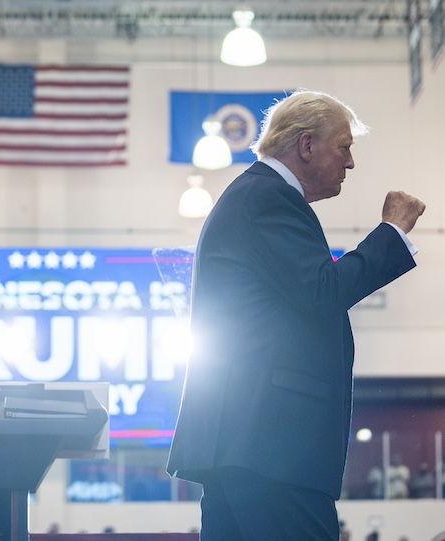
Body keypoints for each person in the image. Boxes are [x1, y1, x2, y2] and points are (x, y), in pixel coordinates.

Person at [166, 90, 425, 541]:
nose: (350, 163)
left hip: (246, 447)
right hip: (272, 448)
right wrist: (392, 233)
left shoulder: (254, 196)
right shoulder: (268, 199)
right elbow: (324, 291)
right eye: (343, 147)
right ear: (306, 146)